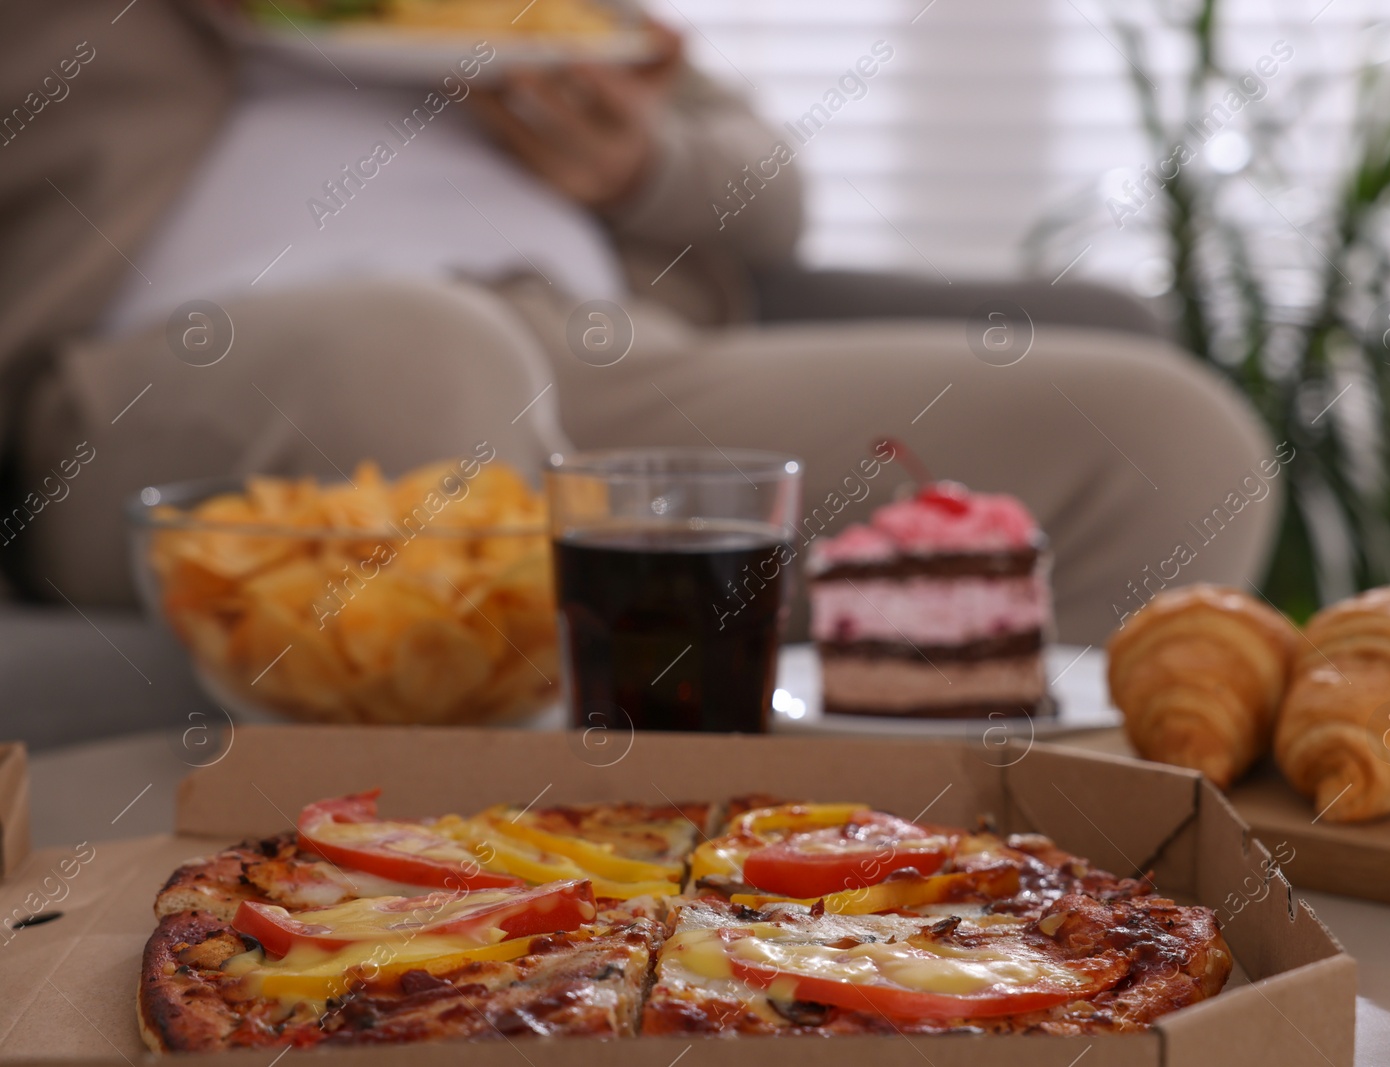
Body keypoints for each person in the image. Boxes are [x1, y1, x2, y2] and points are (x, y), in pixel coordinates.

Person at [0, 0, 1277, 646]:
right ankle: (491, 944)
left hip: (595, 362)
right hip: (188, 378)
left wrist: (638, 163)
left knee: (1165, 439)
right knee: (431, 360)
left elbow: (768, 191)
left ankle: (911, 907)